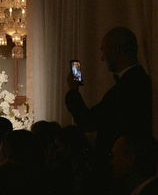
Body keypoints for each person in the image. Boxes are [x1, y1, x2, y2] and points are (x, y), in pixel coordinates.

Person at [65, 27, 152, 166]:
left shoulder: (125, 87)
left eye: (103, 51)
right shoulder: (140, 80)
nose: (102, 58)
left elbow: (89, 121)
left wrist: (73, 92)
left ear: (116, 50)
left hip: (121, 165)